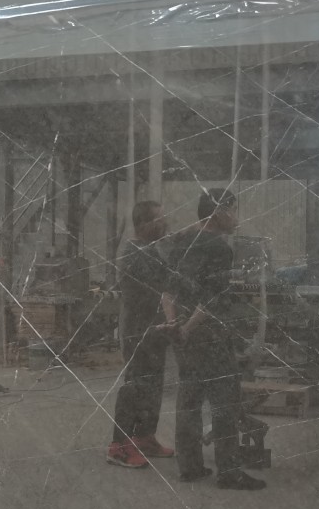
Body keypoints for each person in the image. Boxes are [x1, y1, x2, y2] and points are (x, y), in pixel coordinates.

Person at [164, 188, 265, 491]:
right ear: (219, 212)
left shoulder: (180, 242)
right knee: (224, 402)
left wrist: (175, 326)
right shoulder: (219, 249)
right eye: (233, 209)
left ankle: (190, 467)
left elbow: (167, 292)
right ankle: (229, 472)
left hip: (181, 332)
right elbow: (211, 300)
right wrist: (189, 327)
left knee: (189, 399)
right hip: (209, 334)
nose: (236, 217)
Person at [107, 201, 176, 468]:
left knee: (153, 385)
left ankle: (144, 437)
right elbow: (165, 280)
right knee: (135, 386)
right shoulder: (135, 253)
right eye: (159, 219)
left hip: (153, 329)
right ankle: (118, 446)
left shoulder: (149, 249)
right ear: (144, 224)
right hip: (137, 331)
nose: (165, 223)